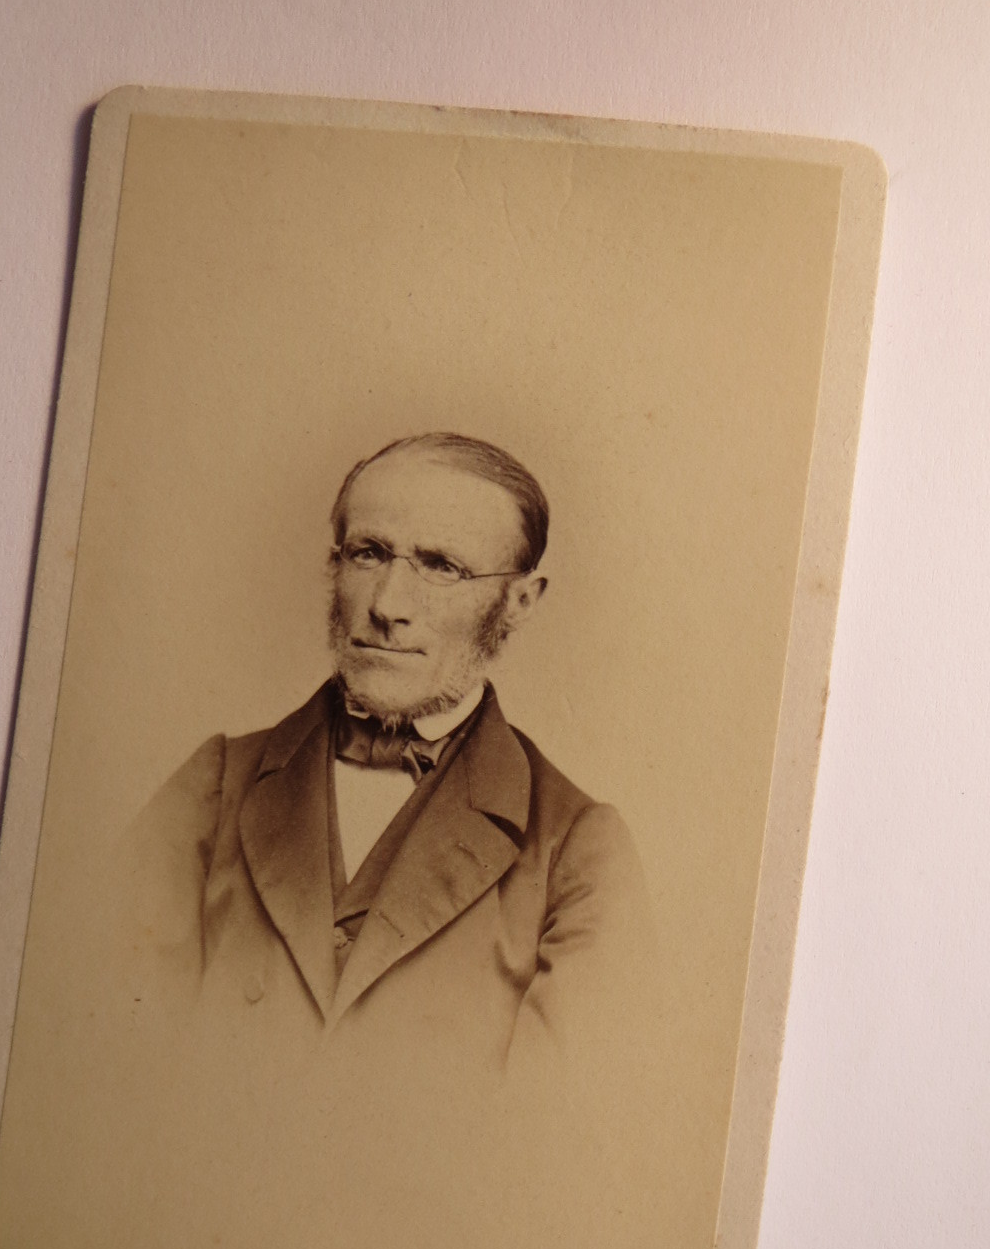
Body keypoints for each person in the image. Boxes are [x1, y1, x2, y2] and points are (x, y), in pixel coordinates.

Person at [126, 431, 654, 1067]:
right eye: (369, 554)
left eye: (440, 567)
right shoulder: (213, 788)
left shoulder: (578, 851)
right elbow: (110, 1053)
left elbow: (546, 1137)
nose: (386, 606)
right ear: (334, 567)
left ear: (518, 603)